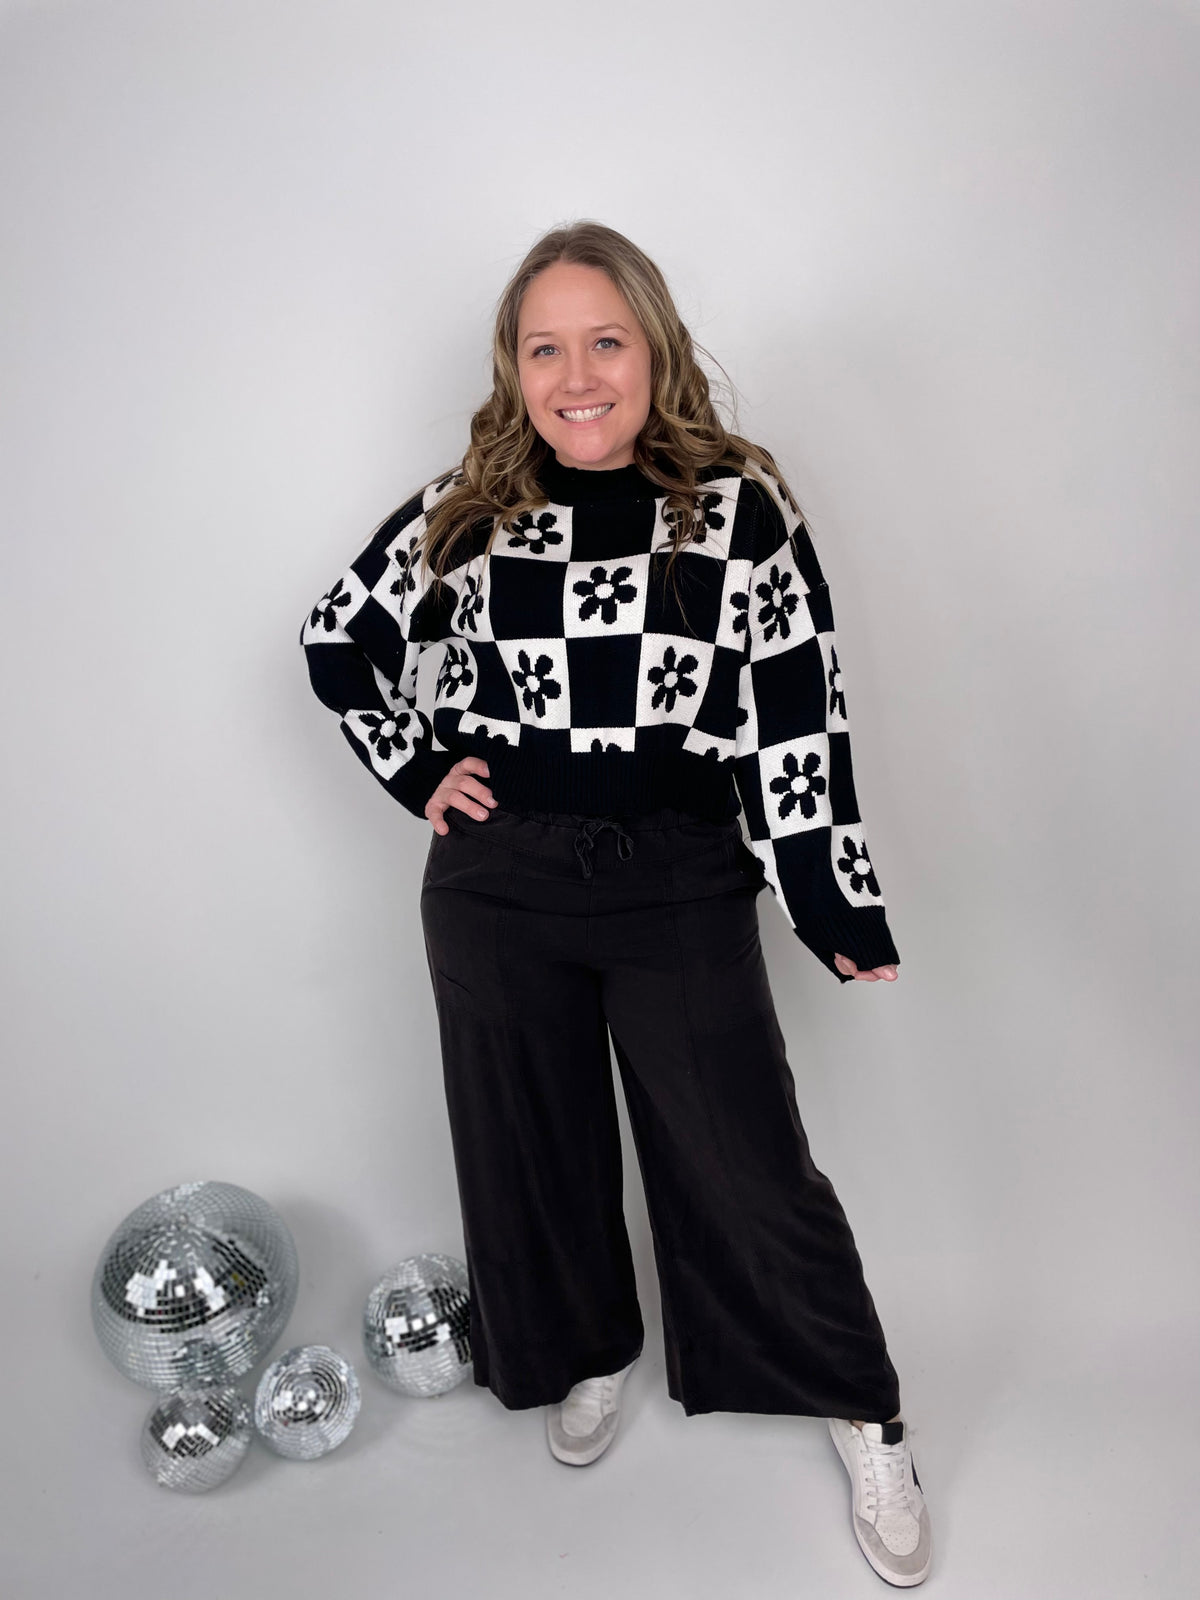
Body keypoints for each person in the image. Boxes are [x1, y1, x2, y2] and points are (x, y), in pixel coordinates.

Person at [300, 221, 932, 1588]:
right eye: (546, 349)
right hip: (500, 882)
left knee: (745, 1158)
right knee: (535, 1146)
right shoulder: (467, 507)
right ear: (513, 367)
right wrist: (419, 769)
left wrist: (832, 900)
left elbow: (797, 712)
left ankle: (862, 1408)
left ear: (655, 351)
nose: (577, 376)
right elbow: (335, 639)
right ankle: (589, 1349)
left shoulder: (737, 507)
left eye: (605, 342)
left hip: (677, 873)